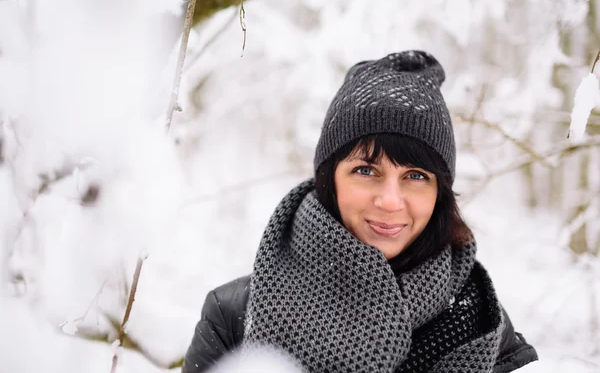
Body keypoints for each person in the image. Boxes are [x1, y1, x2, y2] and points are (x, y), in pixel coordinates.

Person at [182, 51, 538, 373]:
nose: (390, 201)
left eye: (415, 176)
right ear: (329, 180)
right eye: (366, 171)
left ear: (439, 193)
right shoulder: (232, 314)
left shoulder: (481, 322)